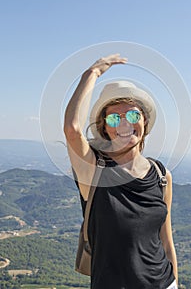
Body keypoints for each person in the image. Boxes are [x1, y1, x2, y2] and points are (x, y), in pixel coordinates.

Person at [64, 54, 178, 289]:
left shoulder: (161, 176)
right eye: (115, 118)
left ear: (144, 121)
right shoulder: (94, 171)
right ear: (105, 128)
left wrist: (176, 281)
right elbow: (73, 129)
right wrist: (92, 73)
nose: (125, 124)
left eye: (133, 115)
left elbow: (166, 240)